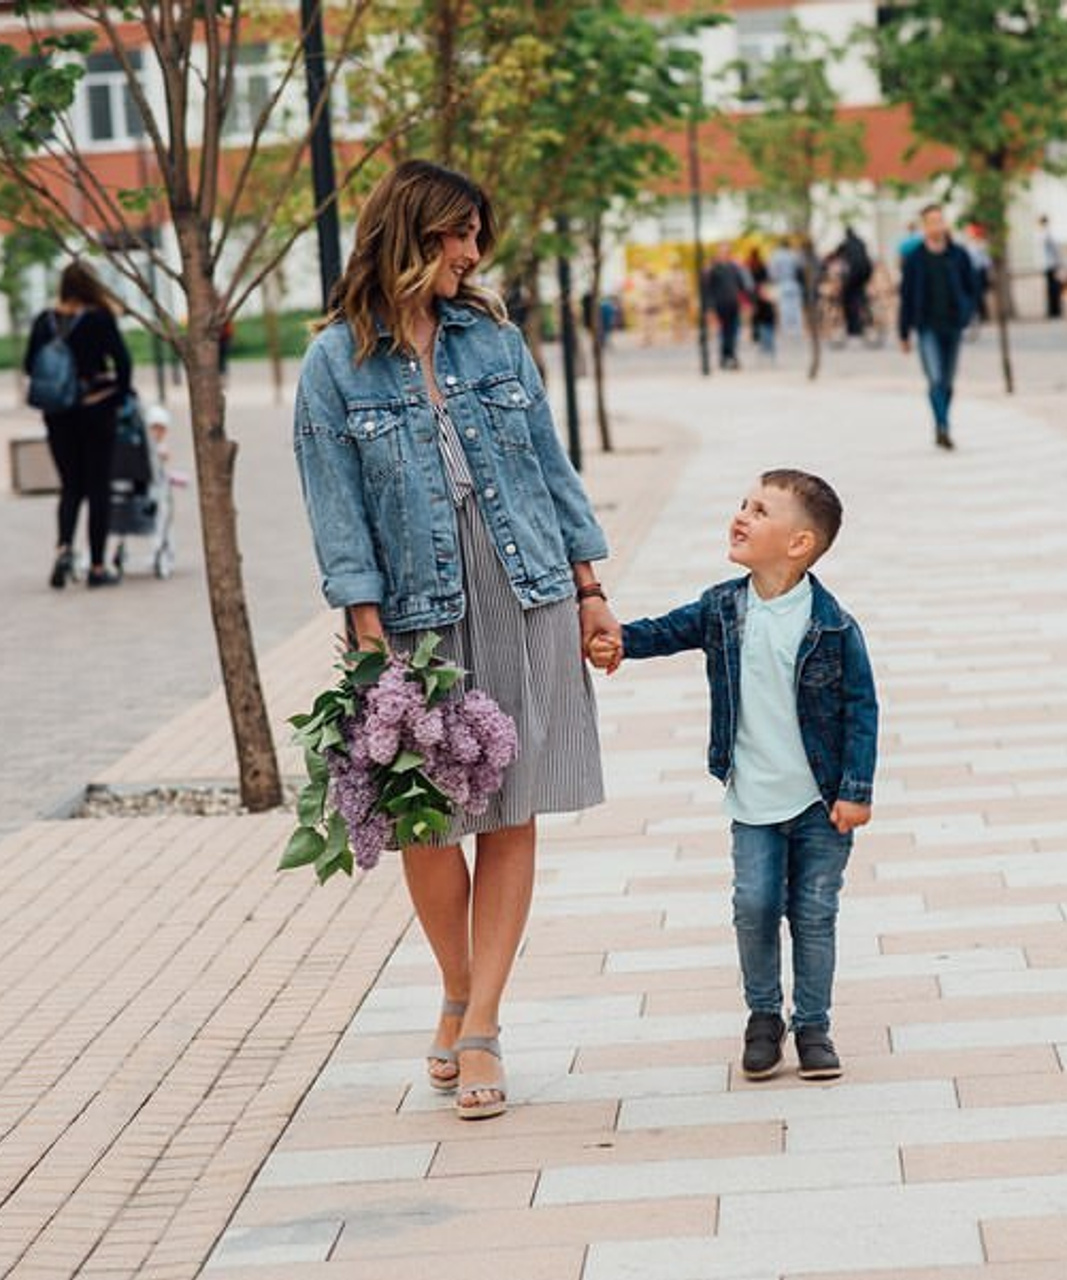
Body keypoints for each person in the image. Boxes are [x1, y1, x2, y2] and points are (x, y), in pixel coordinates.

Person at [293, 159, 620, 1121]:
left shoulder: (494, 343)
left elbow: (551, 468)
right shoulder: (334, 365)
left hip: (525, 589)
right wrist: (366, 632)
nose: (473, 254)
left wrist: (591, 587)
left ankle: (481, 1024)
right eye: (458, 235)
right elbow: (334, 507)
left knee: (512, 805)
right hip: (415, 611)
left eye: (478, 236)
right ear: (413, 234)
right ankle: (455, 989)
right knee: (427, 819)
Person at [589, 470, 878, 1081]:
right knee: (754, 903)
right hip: (753, 798)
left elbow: (862, 709)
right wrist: (616, 641)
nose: (741, 516)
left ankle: (814, 1026)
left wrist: (856, 792)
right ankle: (764, 1016)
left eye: (760, 511)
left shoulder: (832, 625)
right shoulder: (724, 607)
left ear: (799, 544)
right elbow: (667, 631)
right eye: (743, 505)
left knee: (814, 911)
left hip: (821, 802)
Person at [24, 261, 133, 589]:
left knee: (70, 486)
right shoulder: (100, 318)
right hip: (96, 411)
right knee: (98, 487)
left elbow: (31, 364)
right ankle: (97, 568)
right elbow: (123, 363)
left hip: (58, 415)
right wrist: (117, 398)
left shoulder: (45, 320)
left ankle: (63, 550)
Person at [897, 204, 979, 450]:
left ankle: (942, 423)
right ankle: (942, 426)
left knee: (948, 381)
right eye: (931, 221)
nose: (936, 226)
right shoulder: (915, 259)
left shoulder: (958, 255)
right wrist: (904, 332)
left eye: (940, 220)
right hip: (926, 327)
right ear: (924, 226)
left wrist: (967, 310)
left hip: (953, 325)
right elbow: (907, 296)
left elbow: (973, 286)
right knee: (935, 378)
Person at [704, 242, 751, 370]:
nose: (725, 254)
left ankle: (730, 356)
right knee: (724, 332)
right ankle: (726, 357)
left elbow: (742, 286)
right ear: (718, 253)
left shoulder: (734, 268)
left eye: (727, 252)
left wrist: (745, 302)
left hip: (733, 304)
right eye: (723, 252)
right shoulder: (713, 269)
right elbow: (708, 289)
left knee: (733, 331)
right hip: (720, 305)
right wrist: (709, 308)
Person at [838, 226, 873, 336]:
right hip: (866, 271)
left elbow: (836, 253)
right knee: (859, 292)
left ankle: (853, 327)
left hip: (854, 273)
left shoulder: (846, 243)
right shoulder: (861, 242)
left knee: (846, 297)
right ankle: (866, 310)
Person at [1038, 215, 1063, 319]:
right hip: (1049, 264)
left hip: (1050, 264)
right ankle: (1053, 310)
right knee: (1051, 288)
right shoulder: (1046, 233)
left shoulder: (1047, 233)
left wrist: (1057, 262)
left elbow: (1054, 250)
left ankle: (1054, 311)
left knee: (1052, 288)